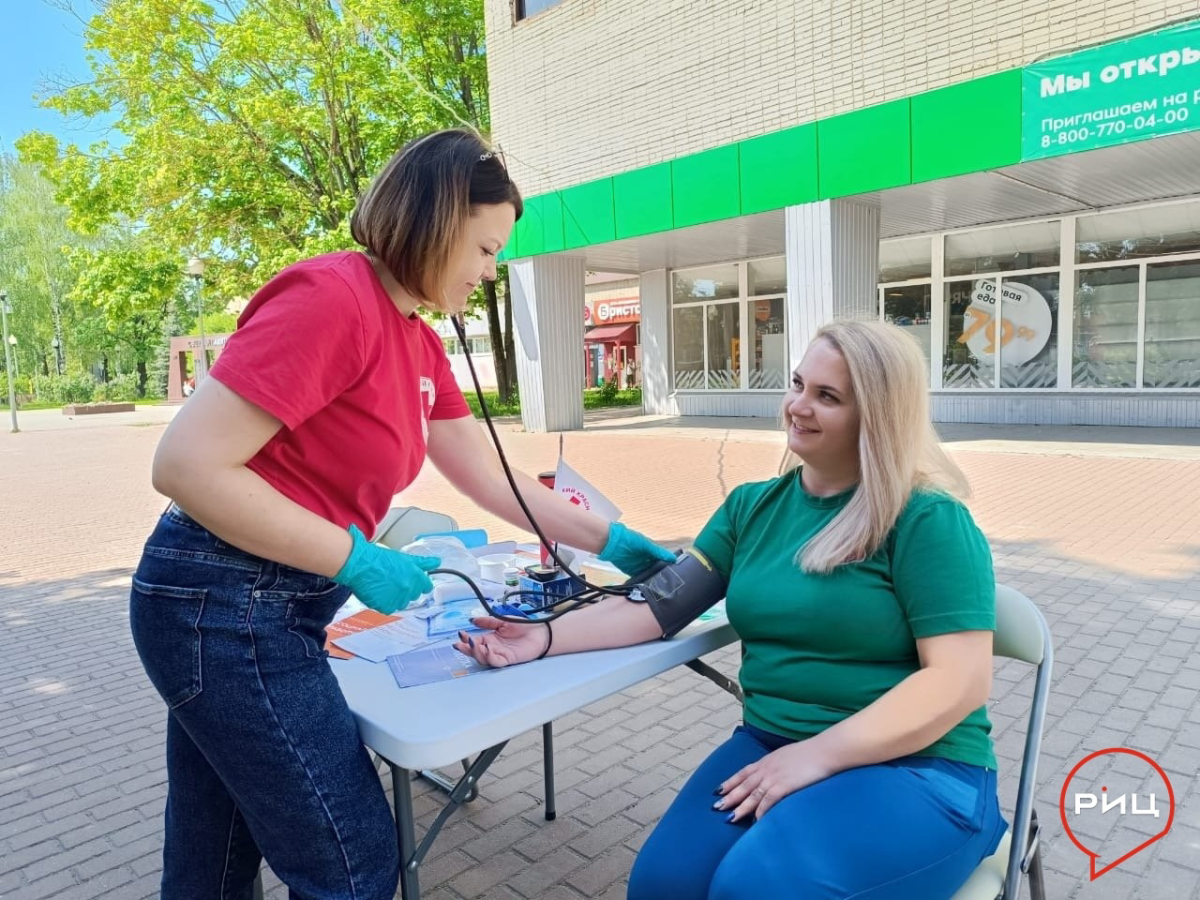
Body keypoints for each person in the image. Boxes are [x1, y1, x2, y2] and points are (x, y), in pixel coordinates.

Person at [129, 128, 674, 900]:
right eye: (485, 250)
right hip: (221, 605)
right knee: (350, 863)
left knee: (214, 851)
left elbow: (490, 475)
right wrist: (352, 560)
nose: (489, 273)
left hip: (261, 607)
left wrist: (609, 538)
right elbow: (184, 466)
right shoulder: (332, 299)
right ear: (437, 223)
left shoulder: (418, 342)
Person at [457, 319, 1008, 900]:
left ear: (878, 416)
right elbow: (657, 609)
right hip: (773, 742)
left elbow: (960, 682)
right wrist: (542, 636)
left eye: (828, 396)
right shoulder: (752, 507)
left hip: (919, 767)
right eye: (797, 384)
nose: (797, 405)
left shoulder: (926, 519)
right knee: (661, 885)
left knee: (756, 887)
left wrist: (817, 757)